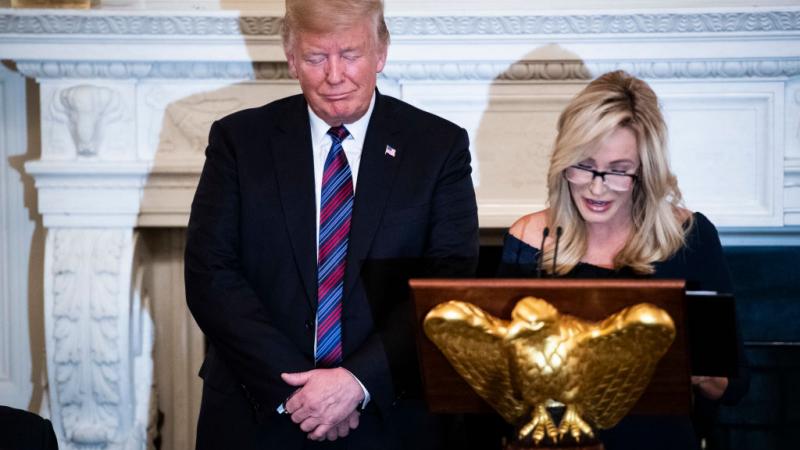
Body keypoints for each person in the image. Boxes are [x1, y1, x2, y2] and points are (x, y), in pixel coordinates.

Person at [184, 0, 479, 449]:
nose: (335, 75)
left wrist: (356, 382)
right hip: (259, 409)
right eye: (316, 57)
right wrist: (299, 392)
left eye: (351, 55)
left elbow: (449, 284)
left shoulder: (438, 149)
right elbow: (210, 275)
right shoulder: (238, 142)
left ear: (381, 52)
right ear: (291, 59)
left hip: (389, 414)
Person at [498, 71, 748, 449]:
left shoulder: (689, 237)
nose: (597, 187)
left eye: (618, 172)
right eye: (583, 165)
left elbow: (735, 384)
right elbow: (502, 383)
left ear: (644, 171)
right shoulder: (530, 239)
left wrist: (701, 373)